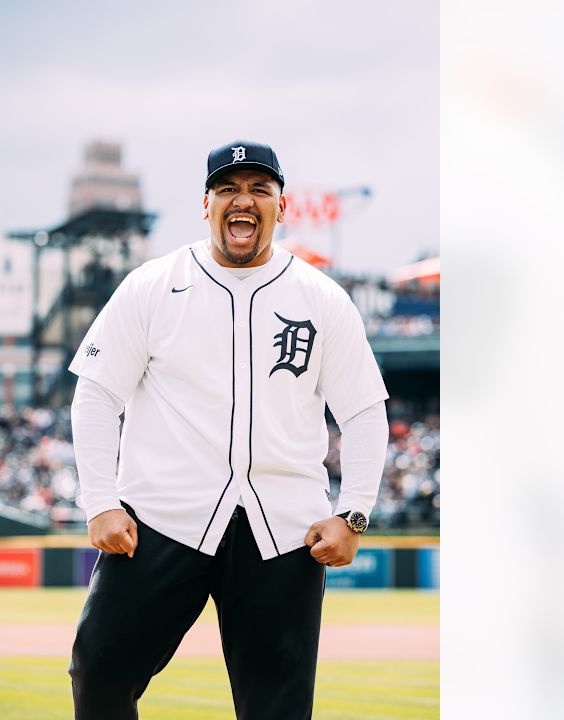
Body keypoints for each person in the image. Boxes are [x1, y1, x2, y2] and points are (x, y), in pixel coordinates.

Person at [66, 139, 390, 719]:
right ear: (206, 204)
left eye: (260, 190)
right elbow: (95, 393)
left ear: (281, 207)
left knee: (277, 710)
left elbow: (364, 411)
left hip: (282, 530)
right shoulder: (152, 285)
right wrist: (99, 500)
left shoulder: (322, 298)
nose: (244, 201)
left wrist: (354, 512)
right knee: (98, 669)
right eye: (228, 189)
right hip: (162, 518)